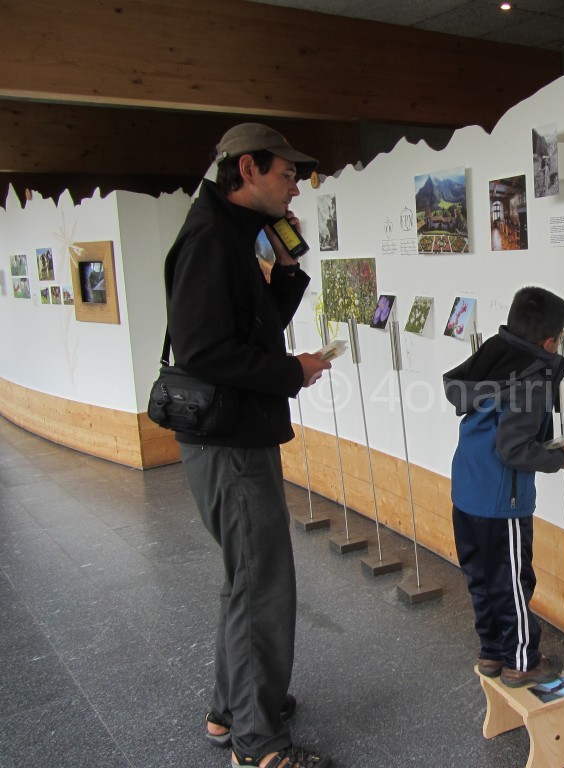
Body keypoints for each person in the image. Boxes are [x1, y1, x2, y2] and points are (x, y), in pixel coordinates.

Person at [164, 123, 332, 768]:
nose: (295, 188)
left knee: (246, 578)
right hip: (230, 443)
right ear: (248, 170)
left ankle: (229, 709)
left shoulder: (232, 234)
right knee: (262, 583)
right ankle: (257, 743)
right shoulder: (211, 238)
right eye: (287, 174)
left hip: (237, 433)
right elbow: (205, 349)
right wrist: (295, 372)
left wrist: (287, 273)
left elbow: (252, 326)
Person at [443, 286, 564, 688]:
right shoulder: (533, 378)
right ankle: (523, 660)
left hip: (468, 492)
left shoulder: (495, 352)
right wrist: (561, 458)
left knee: (483, 579)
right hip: (499, 502)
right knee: (512, 582)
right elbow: (513, 449)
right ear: (549, 342)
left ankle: (493, 653)